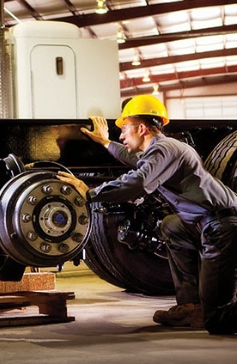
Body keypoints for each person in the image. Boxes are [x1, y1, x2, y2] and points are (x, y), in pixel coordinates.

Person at [57, 94, 237, 335]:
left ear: (141, 128)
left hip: (223, 225)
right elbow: (137, 160)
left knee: (216, 320)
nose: (121, 135)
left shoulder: (165, 148)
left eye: (124, 129)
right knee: (173, 225)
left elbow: (138, 182)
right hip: (207, 222)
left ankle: (208, 312)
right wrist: (106, 143)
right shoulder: (163, 149)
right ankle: (191, 307)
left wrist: (89, 193)